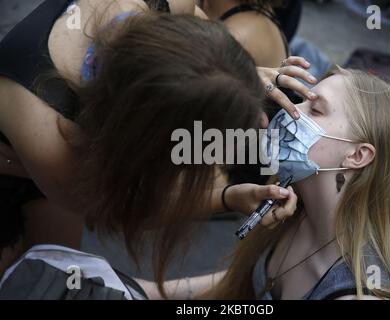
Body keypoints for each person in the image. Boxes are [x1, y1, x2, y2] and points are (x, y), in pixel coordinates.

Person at [0, 0, 314, 298]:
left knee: (56, 273)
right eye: (198, 152)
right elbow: (126, 205)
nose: (213, 163)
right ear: (149, 140)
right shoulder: (50, 140)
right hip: (16, 164)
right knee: (32, 278)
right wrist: (224, 196)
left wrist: (235, 76)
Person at [139, 66, 390, 300]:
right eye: (302, 99)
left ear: (358, 155)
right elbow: (239, 286)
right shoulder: (293, 209)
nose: (291, 111)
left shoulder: (358, 293)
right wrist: (141, 292)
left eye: (316, 111)